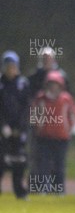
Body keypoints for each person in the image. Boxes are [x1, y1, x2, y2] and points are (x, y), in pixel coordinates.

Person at [30, 71, 75, 194]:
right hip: (44, 137)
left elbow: (73, 114)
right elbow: (33, 113)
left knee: (59, 166)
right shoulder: (40, 98)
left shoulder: (66, 99)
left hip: (62, 138)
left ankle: (59, 190)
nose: (53, 87)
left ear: (60, 85)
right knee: (43, 165)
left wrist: (73, 127)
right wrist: (36, 125)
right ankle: (44, 189)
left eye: (56, 84)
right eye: (51, 84)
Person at [0, 51, 30, 199]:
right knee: (1, 159)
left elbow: (26, 107)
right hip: (3, 130)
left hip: (19, 129)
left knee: (20, 161)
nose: (10, 69)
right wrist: (3, 126)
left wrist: (20, 127)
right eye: (8, 66)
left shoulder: (23, 84)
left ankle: (19, 191)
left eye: (13, 66)